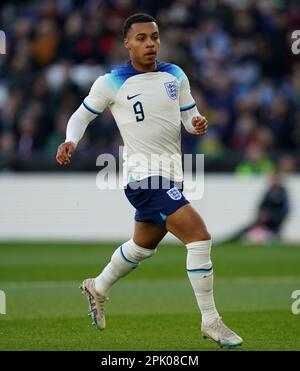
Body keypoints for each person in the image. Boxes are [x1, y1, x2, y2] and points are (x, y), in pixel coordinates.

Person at [56, 13, 242, 348]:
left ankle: (96, 287)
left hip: (171, 174)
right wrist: (71, 140)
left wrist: (197, 122)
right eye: (141, 38)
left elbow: (189, 116)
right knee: (199, 237)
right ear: (126, 43)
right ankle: (211, 321)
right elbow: (81, 115)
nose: (150, 44)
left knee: (142, 247)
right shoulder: (111, 82)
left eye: (154, 37)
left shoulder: (174, 74)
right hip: (143, 178)